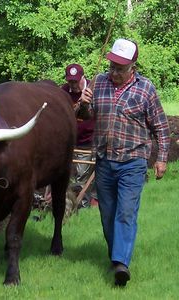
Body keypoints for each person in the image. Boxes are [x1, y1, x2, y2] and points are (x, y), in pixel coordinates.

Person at [81, 38, 170, 286]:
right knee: (107, 214)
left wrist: (161, 159)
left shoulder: (146, 89)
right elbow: (84, 117)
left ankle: (122, 264)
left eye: (120, 68)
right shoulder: (98, 82)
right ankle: (115, 257)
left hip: (133, 161)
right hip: (104, 160)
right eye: (112, 66)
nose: (114, 72)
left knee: (126, 212)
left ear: (133, 66)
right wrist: (84, 104)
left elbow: (161, 128)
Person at [61, 64, 96, 207]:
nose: (73, 85)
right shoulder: (63, 91)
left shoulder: (93, 90)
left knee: (82, 177)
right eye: (70, 81)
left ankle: (82, 207)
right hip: (68, 142)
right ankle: (62, 204)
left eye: (76, 81)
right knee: (64, 176)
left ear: (83, 77)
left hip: (87, 141)